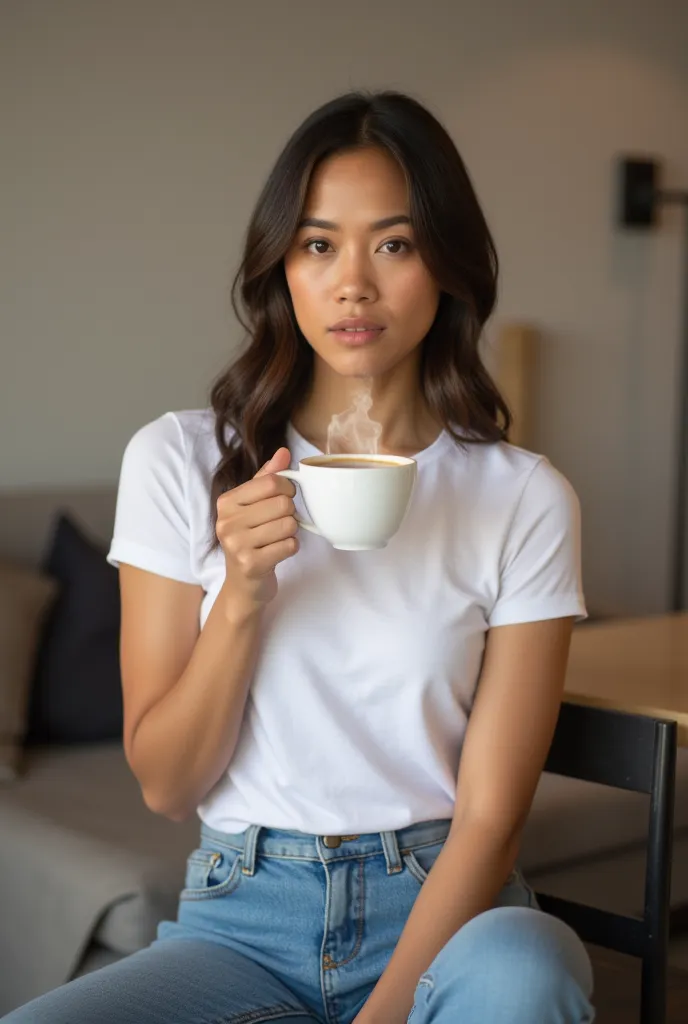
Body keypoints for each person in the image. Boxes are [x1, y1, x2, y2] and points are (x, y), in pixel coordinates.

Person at [3, 91, 595, 1024]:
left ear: (446, 261)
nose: (352, 283)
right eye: (319, 245)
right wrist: (240, 593)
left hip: (445, 915)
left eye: (393, 244)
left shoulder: (523, 497)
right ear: (282, 265)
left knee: (531, 966)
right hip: (240, 926)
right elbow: (166, 784)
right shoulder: (178, 459)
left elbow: (491, 818)